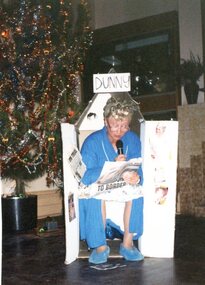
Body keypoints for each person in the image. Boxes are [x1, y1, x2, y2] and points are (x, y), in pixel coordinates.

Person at [79, 95, 144, 264]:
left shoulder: (133, 140)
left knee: (137, 193)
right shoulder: (92, 142)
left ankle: (128, 244)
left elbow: (139, 168)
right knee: (94, 196)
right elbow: (85, 176)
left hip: (122, 187)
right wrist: (112, 167)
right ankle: (100, 246)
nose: (120, 131)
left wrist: (136, 177)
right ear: (105, 121)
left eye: (124, 126)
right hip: (98, 185)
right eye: (115, 125)